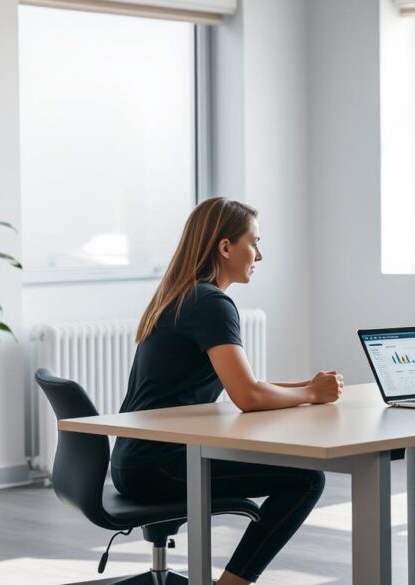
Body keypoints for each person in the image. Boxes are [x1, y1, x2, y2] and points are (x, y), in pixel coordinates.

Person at [111, 198, 343, 585]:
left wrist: (306, 387)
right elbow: (248, 397)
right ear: (225, 247)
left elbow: (245, 382)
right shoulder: (211, 304)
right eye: (254, 242)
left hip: (134, 460)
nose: (260, 254)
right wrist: (311, 395)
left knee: (299, 474)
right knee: (306, 480)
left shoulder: (184, 294)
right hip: (160, 467)